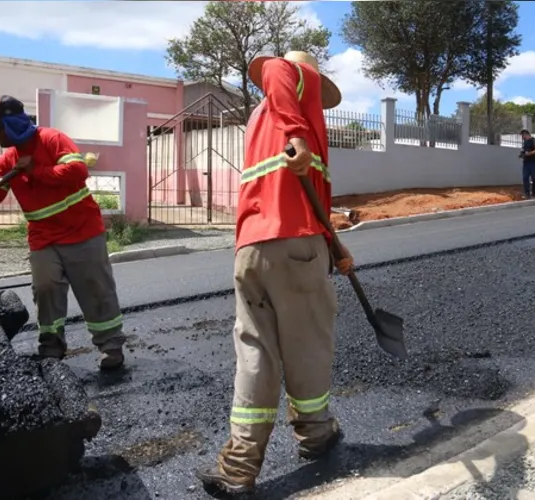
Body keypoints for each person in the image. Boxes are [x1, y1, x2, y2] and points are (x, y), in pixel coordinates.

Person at [194, 51, 353, 497]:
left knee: (255, 351)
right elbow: (275, 67)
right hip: (295, 251)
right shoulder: (295, 107)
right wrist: (300, 132)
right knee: (307, 345)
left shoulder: (263, 124)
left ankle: (238, 467)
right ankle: (316, 436)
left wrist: (337, 247)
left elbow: (311, 203)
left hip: (251, 248)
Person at [0, 95, 127, 371]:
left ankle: (111, 346)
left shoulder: (53, 139)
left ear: (13, 124)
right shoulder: (8, 160)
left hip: (82, 231)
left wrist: (35, 170)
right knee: (45, 289)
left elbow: (77, 171)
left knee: (96, 289)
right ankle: (52, 348)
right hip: (44, 238)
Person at [519, 128, 535, 199]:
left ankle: (534, 194)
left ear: (526, 134)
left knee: (534, 178)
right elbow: (523, 151)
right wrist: (521, 155)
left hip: (534, 163)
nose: (522, 137)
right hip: (526, 163)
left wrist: (529, 154)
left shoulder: (534, 141)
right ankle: (527, 194)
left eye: (522, 136)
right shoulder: (525, 143)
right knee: (525, 178)